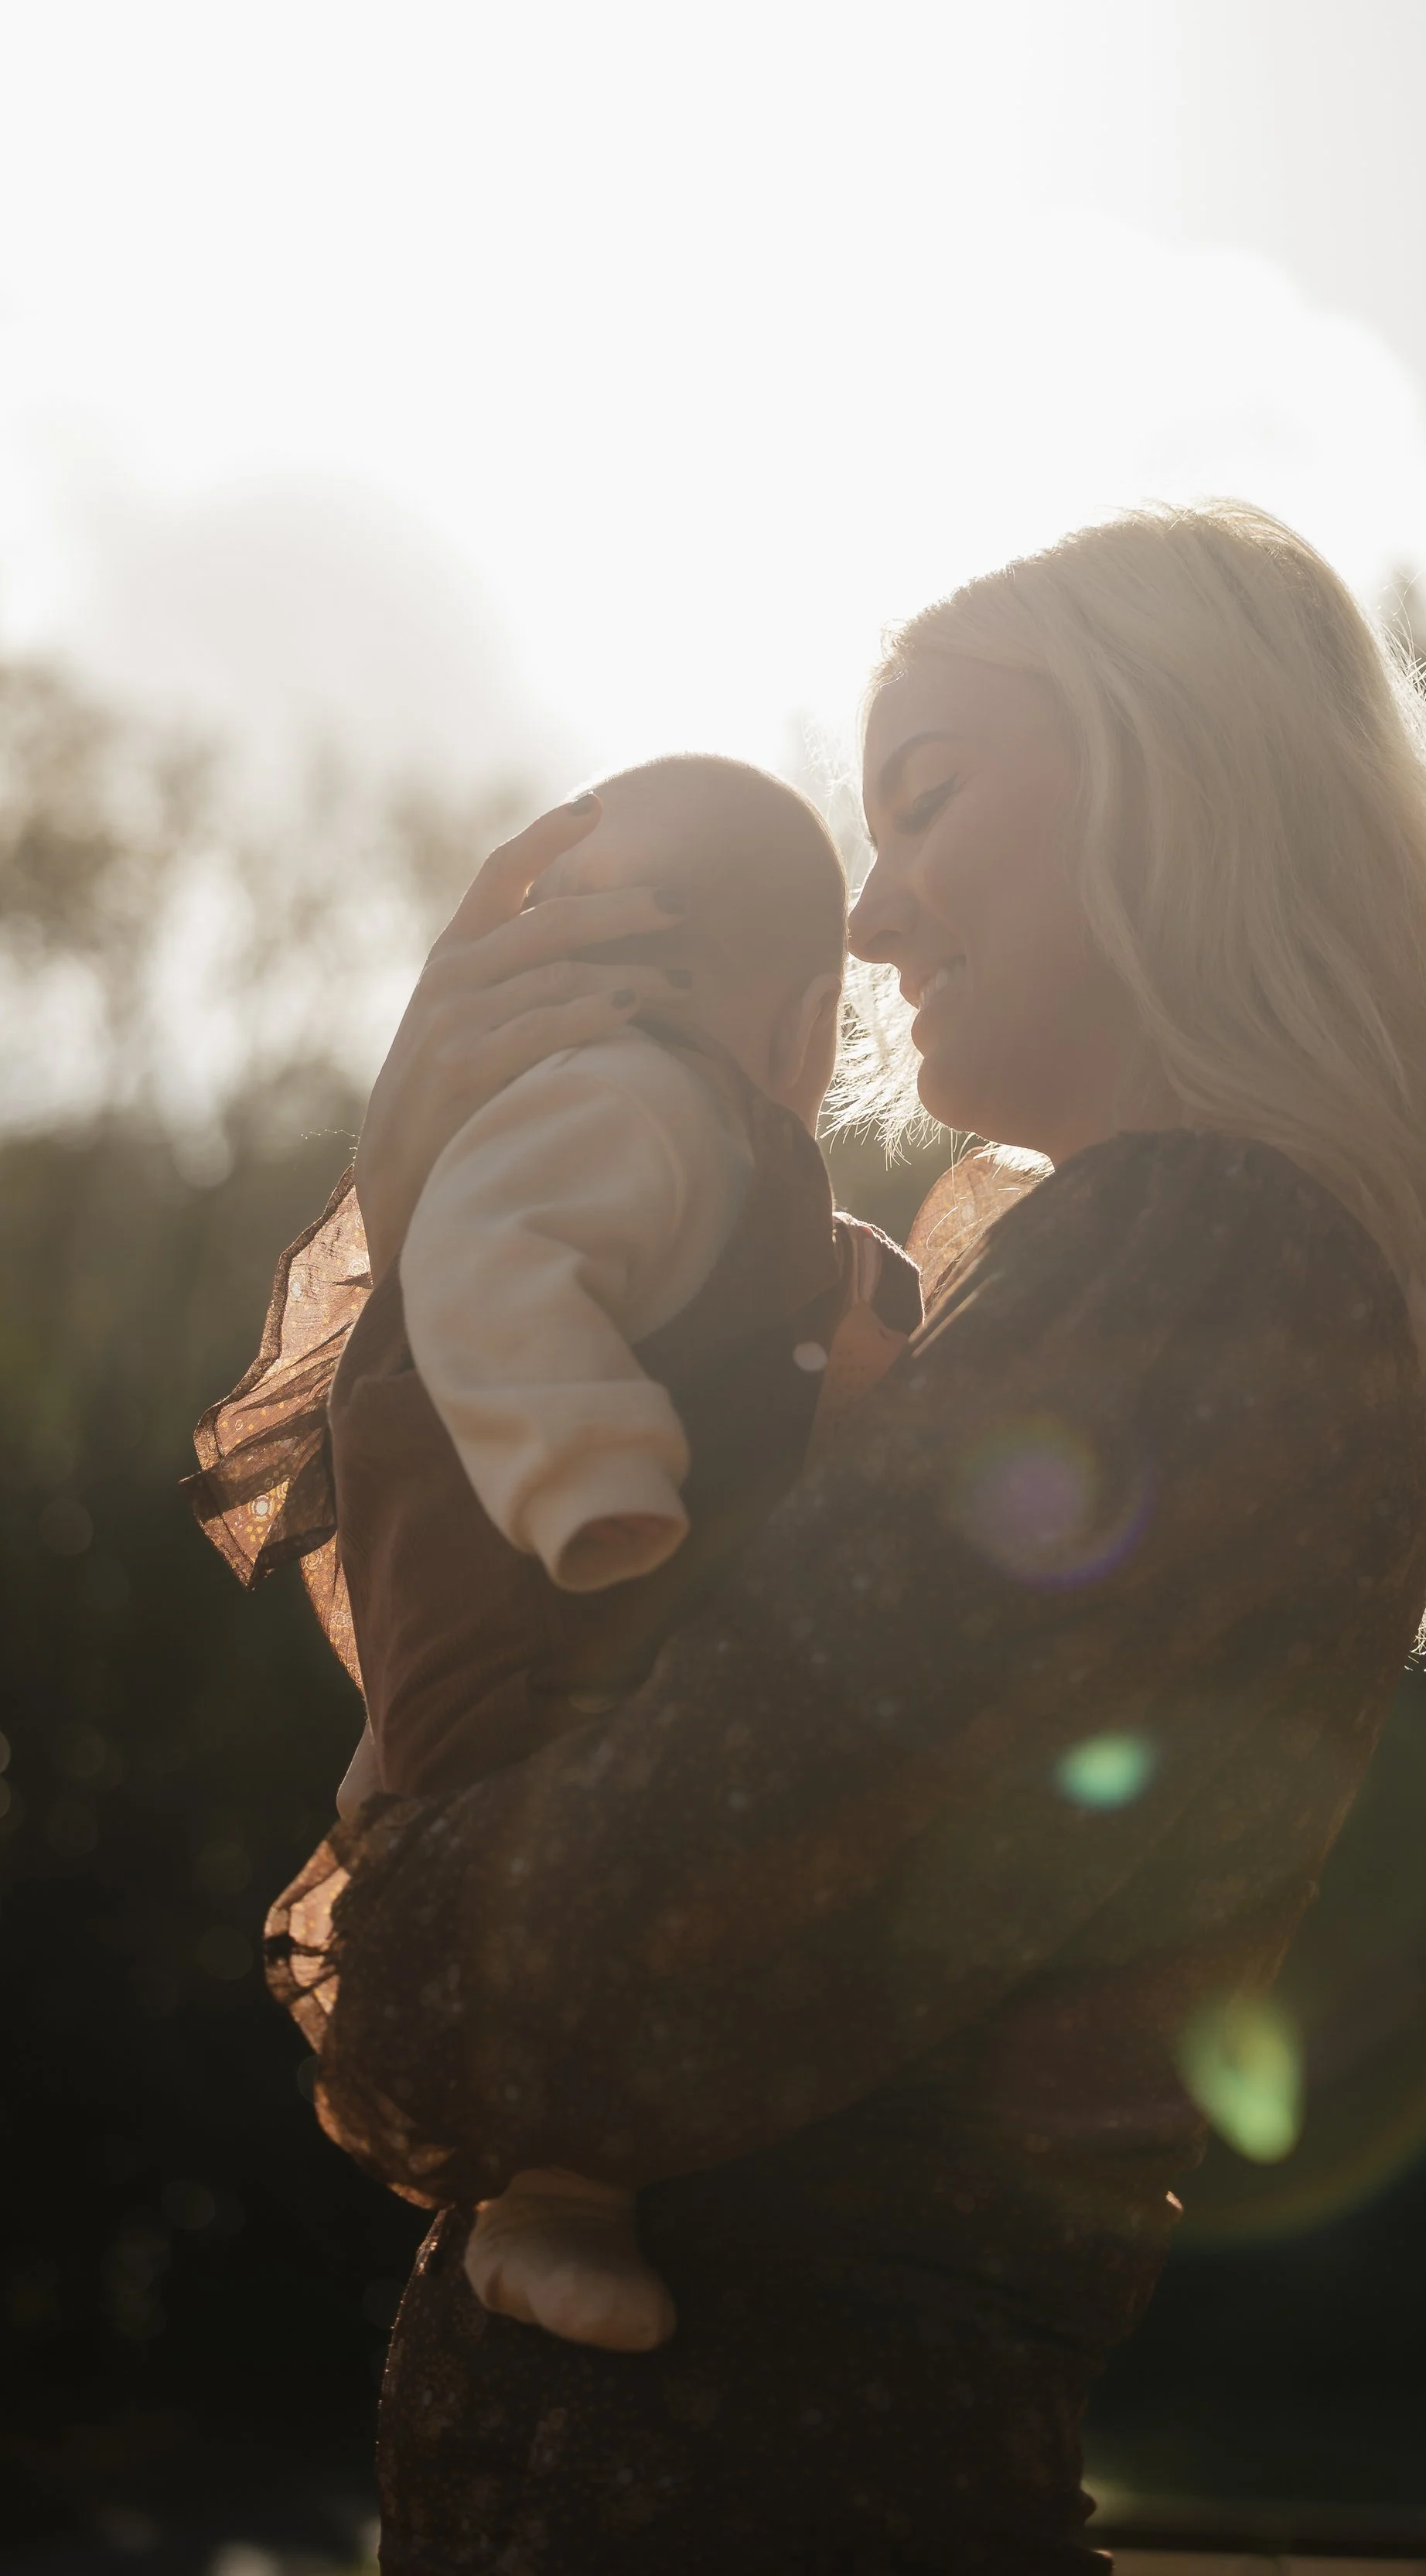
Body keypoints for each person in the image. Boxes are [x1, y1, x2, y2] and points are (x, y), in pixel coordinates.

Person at [259, 504, 1426, 2574]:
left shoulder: (1197, 1262)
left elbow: (567, 1985)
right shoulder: (1147, 1279)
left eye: (922, 804)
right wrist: (432, 1215)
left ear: (1173, 783)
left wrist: (413, 1909)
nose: (876, 919)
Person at [333, 753, 917, 2354]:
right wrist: (593, 1472)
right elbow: (487, 1257)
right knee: (583, 1887)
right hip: (542, 1616)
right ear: (808, 1027)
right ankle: (552, 2199)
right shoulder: (641, 1098)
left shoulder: (699, 1146)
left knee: (601, 1898)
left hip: (542, 1636)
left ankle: (557, 2199)